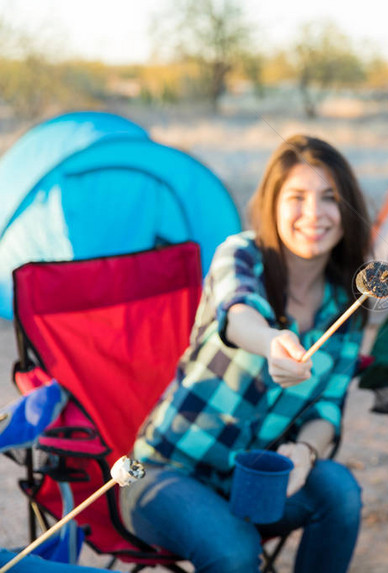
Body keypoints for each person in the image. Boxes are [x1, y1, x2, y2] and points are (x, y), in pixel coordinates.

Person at [121, 135, 370, 573]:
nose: (314, 214)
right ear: (273, 204)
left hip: (258, 482)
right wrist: (273, 342)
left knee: (339, 490)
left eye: (330, 198)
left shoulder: (347, 302)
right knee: (234, 552)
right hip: (163, 473)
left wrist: (306, 452)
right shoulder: (242, 255)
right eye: (297, 197)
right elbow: (237, 315)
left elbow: (328, 407)